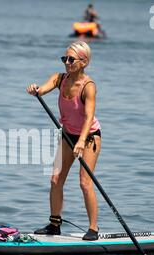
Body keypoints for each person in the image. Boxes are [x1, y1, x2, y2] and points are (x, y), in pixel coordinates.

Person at [26, 41, 101, 241]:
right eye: (64, 59)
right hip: (68, 135)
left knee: (85, 182)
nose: (66, 63)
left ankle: (93, 228)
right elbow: (43, 89)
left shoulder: (89, 87)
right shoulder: (60, 79)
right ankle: (54, 225)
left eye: (71, 59)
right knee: (55, 179)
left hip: (89, 137)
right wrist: (36, 90)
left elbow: (88, 117)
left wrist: (81, 142)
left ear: (83, 62)